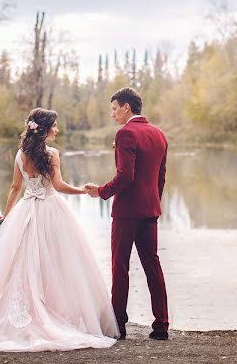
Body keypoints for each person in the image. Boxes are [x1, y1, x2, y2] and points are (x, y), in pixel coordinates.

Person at [0, 107, 119, 353]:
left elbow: (14, 188)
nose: (57, 130)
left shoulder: (20, 155)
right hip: (51, 210)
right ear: (45, 129)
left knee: (24, 263)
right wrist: (85, 191)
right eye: (55, 126)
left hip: (26, 211)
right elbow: (59, 186)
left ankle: (29, 312)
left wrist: (5, 221)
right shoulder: (52, 154)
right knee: (58, 263)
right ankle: (54, 311)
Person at [85, 87, 169, 340]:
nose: (112, 114)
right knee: (153, 266)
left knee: (120, 267)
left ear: (127, 108)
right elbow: (160, 177)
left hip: (126, 212)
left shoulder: (126, 134)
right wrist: (153, 201)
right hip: (149, 211)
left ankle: (119, 325)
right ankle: (162, 325)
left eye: (114, 109)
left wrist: (100, 191)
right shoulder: (159, 134)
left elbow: (125, 177)